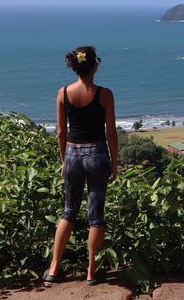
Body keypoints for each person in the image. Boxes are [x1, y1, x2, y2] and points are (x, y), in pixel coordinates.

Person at [43, 45, 119, 285]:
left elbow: (60, 133)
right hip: (97, 154)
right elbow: (111, 133)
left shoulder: (62, 93)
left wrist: (64, 160)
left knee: (69, 211)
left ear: (75, 67)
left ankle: (54, 268)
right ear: (94, 65)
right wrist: (115, 163)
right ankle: (91, 271)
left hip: (73, 154)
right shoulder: (104, 94)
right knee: (95, 215)